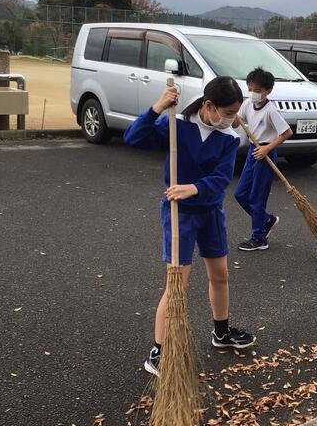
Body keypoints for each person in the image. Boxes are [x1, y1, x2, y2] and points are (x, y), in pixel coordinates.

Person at [123, 77, 256, 378]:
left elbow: (221, 180)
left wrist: (193, 188)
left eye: (237, 112)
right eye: (229, 111)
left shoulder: (228, 137)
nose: (233, 118)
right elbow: (134, 137)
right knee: (176, 284)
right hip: (178, 213)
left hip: (210, 211)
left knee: (220, 274)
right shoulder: (178, 125)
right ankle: (158, 352)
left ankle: (221, 332)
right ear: (209, 106)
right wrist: (158, 107)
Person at [234, 68, 293, 251]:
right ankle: (267, 220)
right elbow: (237, 122)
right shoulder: (246, 104)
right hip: (253, 150)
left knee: (257, 198)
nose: (254, 94)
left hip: (266, 153)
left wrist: (267, 148)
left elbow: (287, 132)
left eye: (258, 91)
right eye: (251, 89)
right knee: (240, 194)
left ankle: (259, 238)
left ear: (268, 91)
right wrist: (232, 114)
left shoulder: (270, 110)